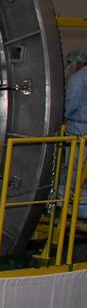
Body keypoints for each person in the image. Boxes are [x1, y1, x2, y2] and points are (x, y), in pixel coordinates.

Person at [66, 51, 87, 220]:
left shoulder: (78, 78)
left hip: (79, 131)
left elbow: (70, 105)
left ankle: (71, 205)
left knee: (73, 171)